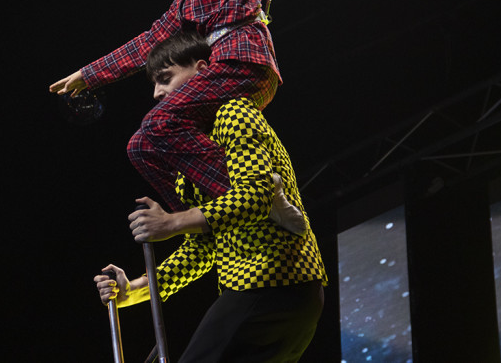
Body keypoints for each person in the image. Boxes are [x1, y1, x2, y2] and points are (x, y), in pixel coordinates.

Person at [50, 0, 283, 212]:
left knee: (159, 123)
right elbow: (149, 42)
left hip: (242, 63)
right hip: (223, 69)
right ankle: (198, 220)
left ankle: (256, 198)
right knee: (141, 146)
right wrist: (89, 74)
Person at [94, 32, 328, 362]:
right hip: (269, 292)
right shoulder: (193, 152)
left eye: (165, 78)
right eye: (154, 84)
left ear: (203, 72)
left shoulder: (233, 113)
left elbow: (257, 197)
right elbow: (203, 248)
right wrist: (135, 291)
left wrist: (172, 222)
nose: (157, 93)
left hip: (273, 281)